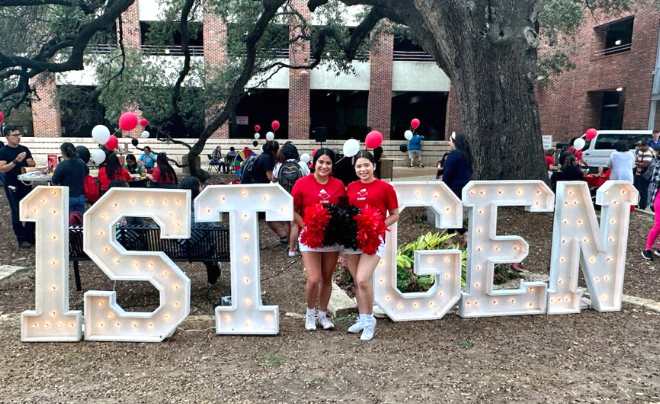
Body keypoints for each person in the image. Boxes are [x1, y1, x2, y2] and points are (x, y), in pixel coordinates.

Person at [345, 151, 399, 341]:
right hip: (352, 240)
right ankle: (362, 317)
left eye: (366, 165)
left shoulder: (385, 188)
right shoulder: (350, 187)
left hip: (373, 239)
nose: (363, 169)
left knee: (362, 280)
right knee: (356, 280)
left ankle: (369, 321)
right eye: (359, 166)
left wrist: (376, 226)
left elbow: (394, 214)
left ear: (374, 166)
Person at [292, 148, 346, 331]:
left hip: (331, 239)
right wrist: (306, 225)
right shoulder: (301, 183)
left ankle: (322, 315)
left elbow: (343, 210)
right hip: (309, 237)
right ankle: (310, 314)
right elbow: (292, 210)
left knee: (326, 278)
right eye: (321, 162)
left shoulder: (339, 185)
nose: (324, 166)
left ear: (332, 165)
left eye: (328, 163)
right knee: (313, 278)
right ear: (314, 163)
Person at [179, 176, 221, 284]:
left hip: (181, 250)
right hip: (203, 250)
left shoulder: (177, 210)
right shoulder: (205, 210)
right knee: (209, 250)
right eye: (201, 186)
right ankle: (212, 277)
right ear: (198, 189)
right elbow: (212, 235)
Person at [0, 125, 36, 248]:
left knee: (32, 209)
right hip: (12, 184)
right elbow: (2, 169)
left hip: (26, 183)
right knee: (16, 211)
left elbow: (31, 166)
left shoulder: (24, 149)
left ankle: (30, 237)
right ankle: (21, 239)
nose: (18, 137)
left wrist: (32, 163)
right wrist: (15, 161)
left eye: (19, 135)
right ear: (7, 137)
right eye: (14, 135)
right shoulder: (3, 151)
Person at [273, 143, 309, 257]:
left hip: (284, 196)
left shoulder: (280, 166)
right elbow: (308, 177)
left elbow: (274, 179)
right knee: (295, 224)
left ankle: (289, 245)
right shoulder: (301, 164)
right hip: (298, 196)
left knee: (287, 223)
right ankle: (294, 248)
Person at [251, 141, 288, 243]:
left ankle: (282, 236)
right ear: (273, 150)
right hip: (260, 191)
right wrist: (280, 175)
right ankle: (281, 237)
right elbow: (270, 177)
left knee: (266, 215)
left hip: (255, 190)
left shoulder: (262, 156)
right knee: (268, 214)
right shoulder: (267, 159)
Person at [52, 142, 89, 214]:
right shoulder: (81, 162)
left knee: (68, 221)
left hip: (68, 197)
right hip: (81, 196)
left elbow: (54, 181)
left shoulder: (62, 165)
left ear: (63, 153)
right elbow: (87, 173)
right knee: (79, 220)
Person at [634, 142, 654, 209]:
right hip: (638, 173)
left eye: (641, 147)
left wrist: (638, 163)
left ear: (645, 146)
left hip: (644, 175)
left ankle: (643, 205)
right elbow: (636, 161)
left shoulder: (649, 153)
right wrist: (639, 163)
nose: (640, 149)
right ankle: (635, 203)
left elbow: (645, 164)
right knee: (636, 189)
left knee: (643, 191)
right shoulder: (640, 152)